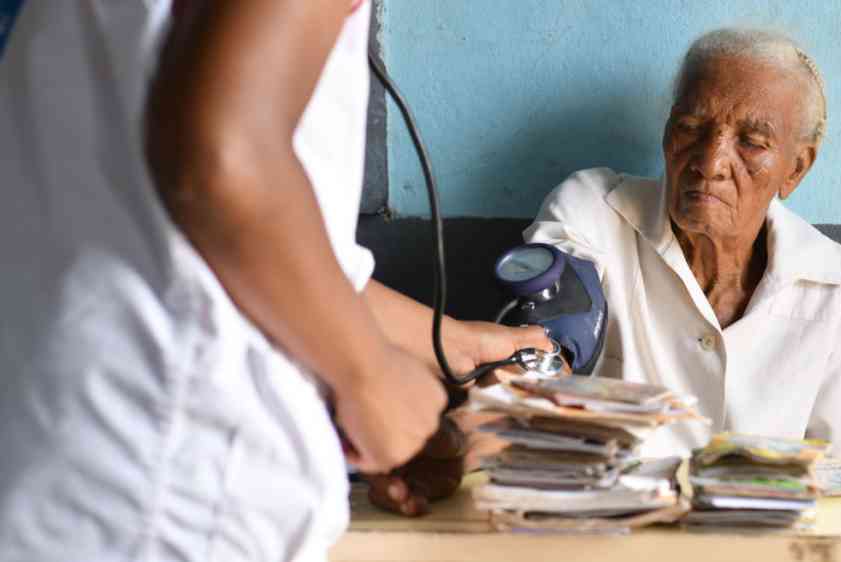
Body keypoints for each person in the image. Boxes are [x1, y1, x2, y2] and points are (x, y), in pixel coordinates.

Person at [0, 2, 547, 561]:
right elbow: (223, 164)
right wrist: (369, 378)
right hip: (172, 481)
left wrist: (416, 375)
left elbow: (225, 239)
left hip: (68, 454)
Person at [525, 28, 841, 459]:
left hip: (765, 526)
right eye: (691, 128)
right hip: (604, 522)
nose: (711, 163)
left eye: (751, 143)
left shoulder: (831, 279)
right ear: (668, 131)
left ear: (796, 168)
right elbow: (534, 353)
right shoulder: (590, 214)